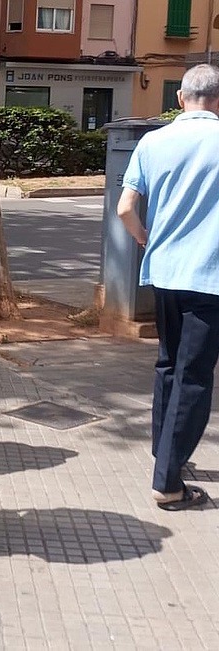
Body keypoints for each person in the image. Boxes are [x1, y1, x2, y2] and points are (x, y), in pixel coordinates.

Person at [117, 64, 219, 511]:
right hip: (210, 277)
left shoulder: (152, 141)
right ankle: (168, 482)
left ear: (180, 98)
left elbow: (125, 209)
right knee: (194, 376)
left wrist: (146, 240)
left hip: (164, 273)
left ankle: (164, 451)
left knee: (168, 366)